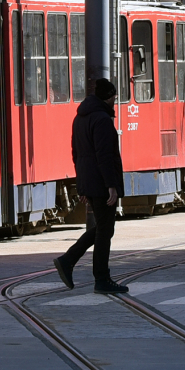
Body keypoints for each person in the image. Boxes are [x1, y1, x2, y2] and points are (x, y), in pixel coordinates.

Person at [55, 78, 128, 294]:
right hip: (101, 183)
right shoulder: (102, 120)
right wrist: (111, 185)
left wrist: (82, 185)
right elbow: (104, 156)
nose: (114, 101)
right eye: (114, 97)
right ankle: (100, 278)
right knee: (105, 230)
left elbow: (76, 154)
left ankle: (68, 260)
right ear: (109, 97)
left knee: (103, 227)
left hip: (89, 181)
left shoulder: (79, 118)